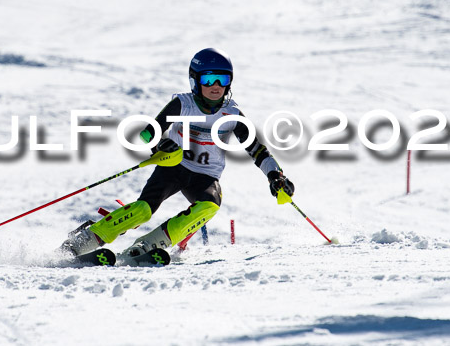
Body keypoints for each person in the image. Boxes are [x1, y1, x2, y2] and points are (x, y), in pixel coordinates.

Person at [62, 48, 295, 260]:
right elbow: (147, 133)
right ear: (195, 81)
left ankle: (148, 245)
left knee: (210, 205)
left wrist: (275, 176)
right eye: (208, 79)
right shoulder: (183, 104)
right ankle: (84, 240)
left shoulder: (232, 114)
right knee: (143, 210)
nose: (216, 85)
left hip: (205, 175)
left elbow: (257, 150)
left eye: (222, 79)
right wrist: (160, 146)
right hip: (173, 168)